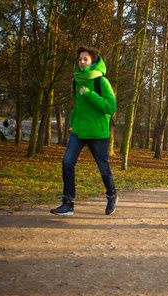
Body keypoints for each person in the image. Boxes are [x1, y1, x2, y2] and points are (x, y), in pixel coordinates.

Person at [50, 46, 117, 216]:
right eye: (80, 59)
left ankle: (112, 195)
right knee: (67, 162)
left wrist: (89, 94)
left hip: (98, 132)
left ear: (93, 61)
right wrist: (73, 120)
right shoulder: (76, 81)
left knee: (103, 168)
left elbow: (111, 107)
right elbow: (77, 106)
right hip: (79, 131)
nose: (81, 62)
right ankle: (68, 204)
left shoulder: (101, 81)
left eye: (85, 59)